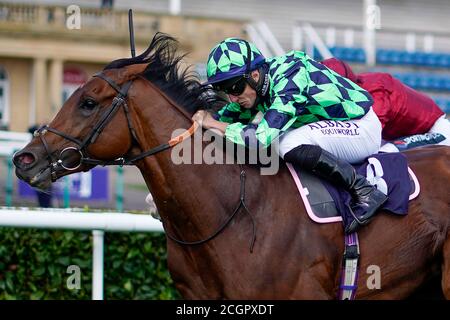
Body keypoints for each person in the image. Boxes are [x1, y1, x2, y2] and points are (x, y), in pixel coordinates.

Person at [192, 38, 388, 234]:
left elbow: (260, 138)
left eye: (235, 88)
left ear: (254, 75)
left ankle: (365, 191)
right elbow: (223, 120)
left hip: (361, 129)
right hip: (335, 129)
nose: (233, 97)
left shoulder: (291, 77)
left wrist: (215, 124)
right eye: (225, 91)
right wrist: (204, 120)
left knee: (286, 143)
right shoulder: (258, 86)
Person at [320, 58, 450, 151]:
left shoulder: (376, 92)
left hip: (435, 131)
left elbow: (369, 136)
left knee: (385, 155)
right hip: (399, 135)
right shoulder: (356, 88)